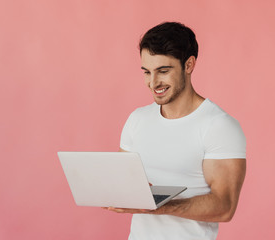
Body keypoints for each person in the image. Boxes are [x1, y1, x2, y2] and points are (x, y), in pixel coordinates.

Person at [105, 22, 247, 239]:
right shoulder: (137, 119)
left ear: (189, 65)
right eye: (147, 72)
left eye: (163, 71)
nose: (153, 83)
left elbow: (225, 206)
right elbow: (123, 183)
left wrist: (158, 206)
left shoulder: (219, 126)